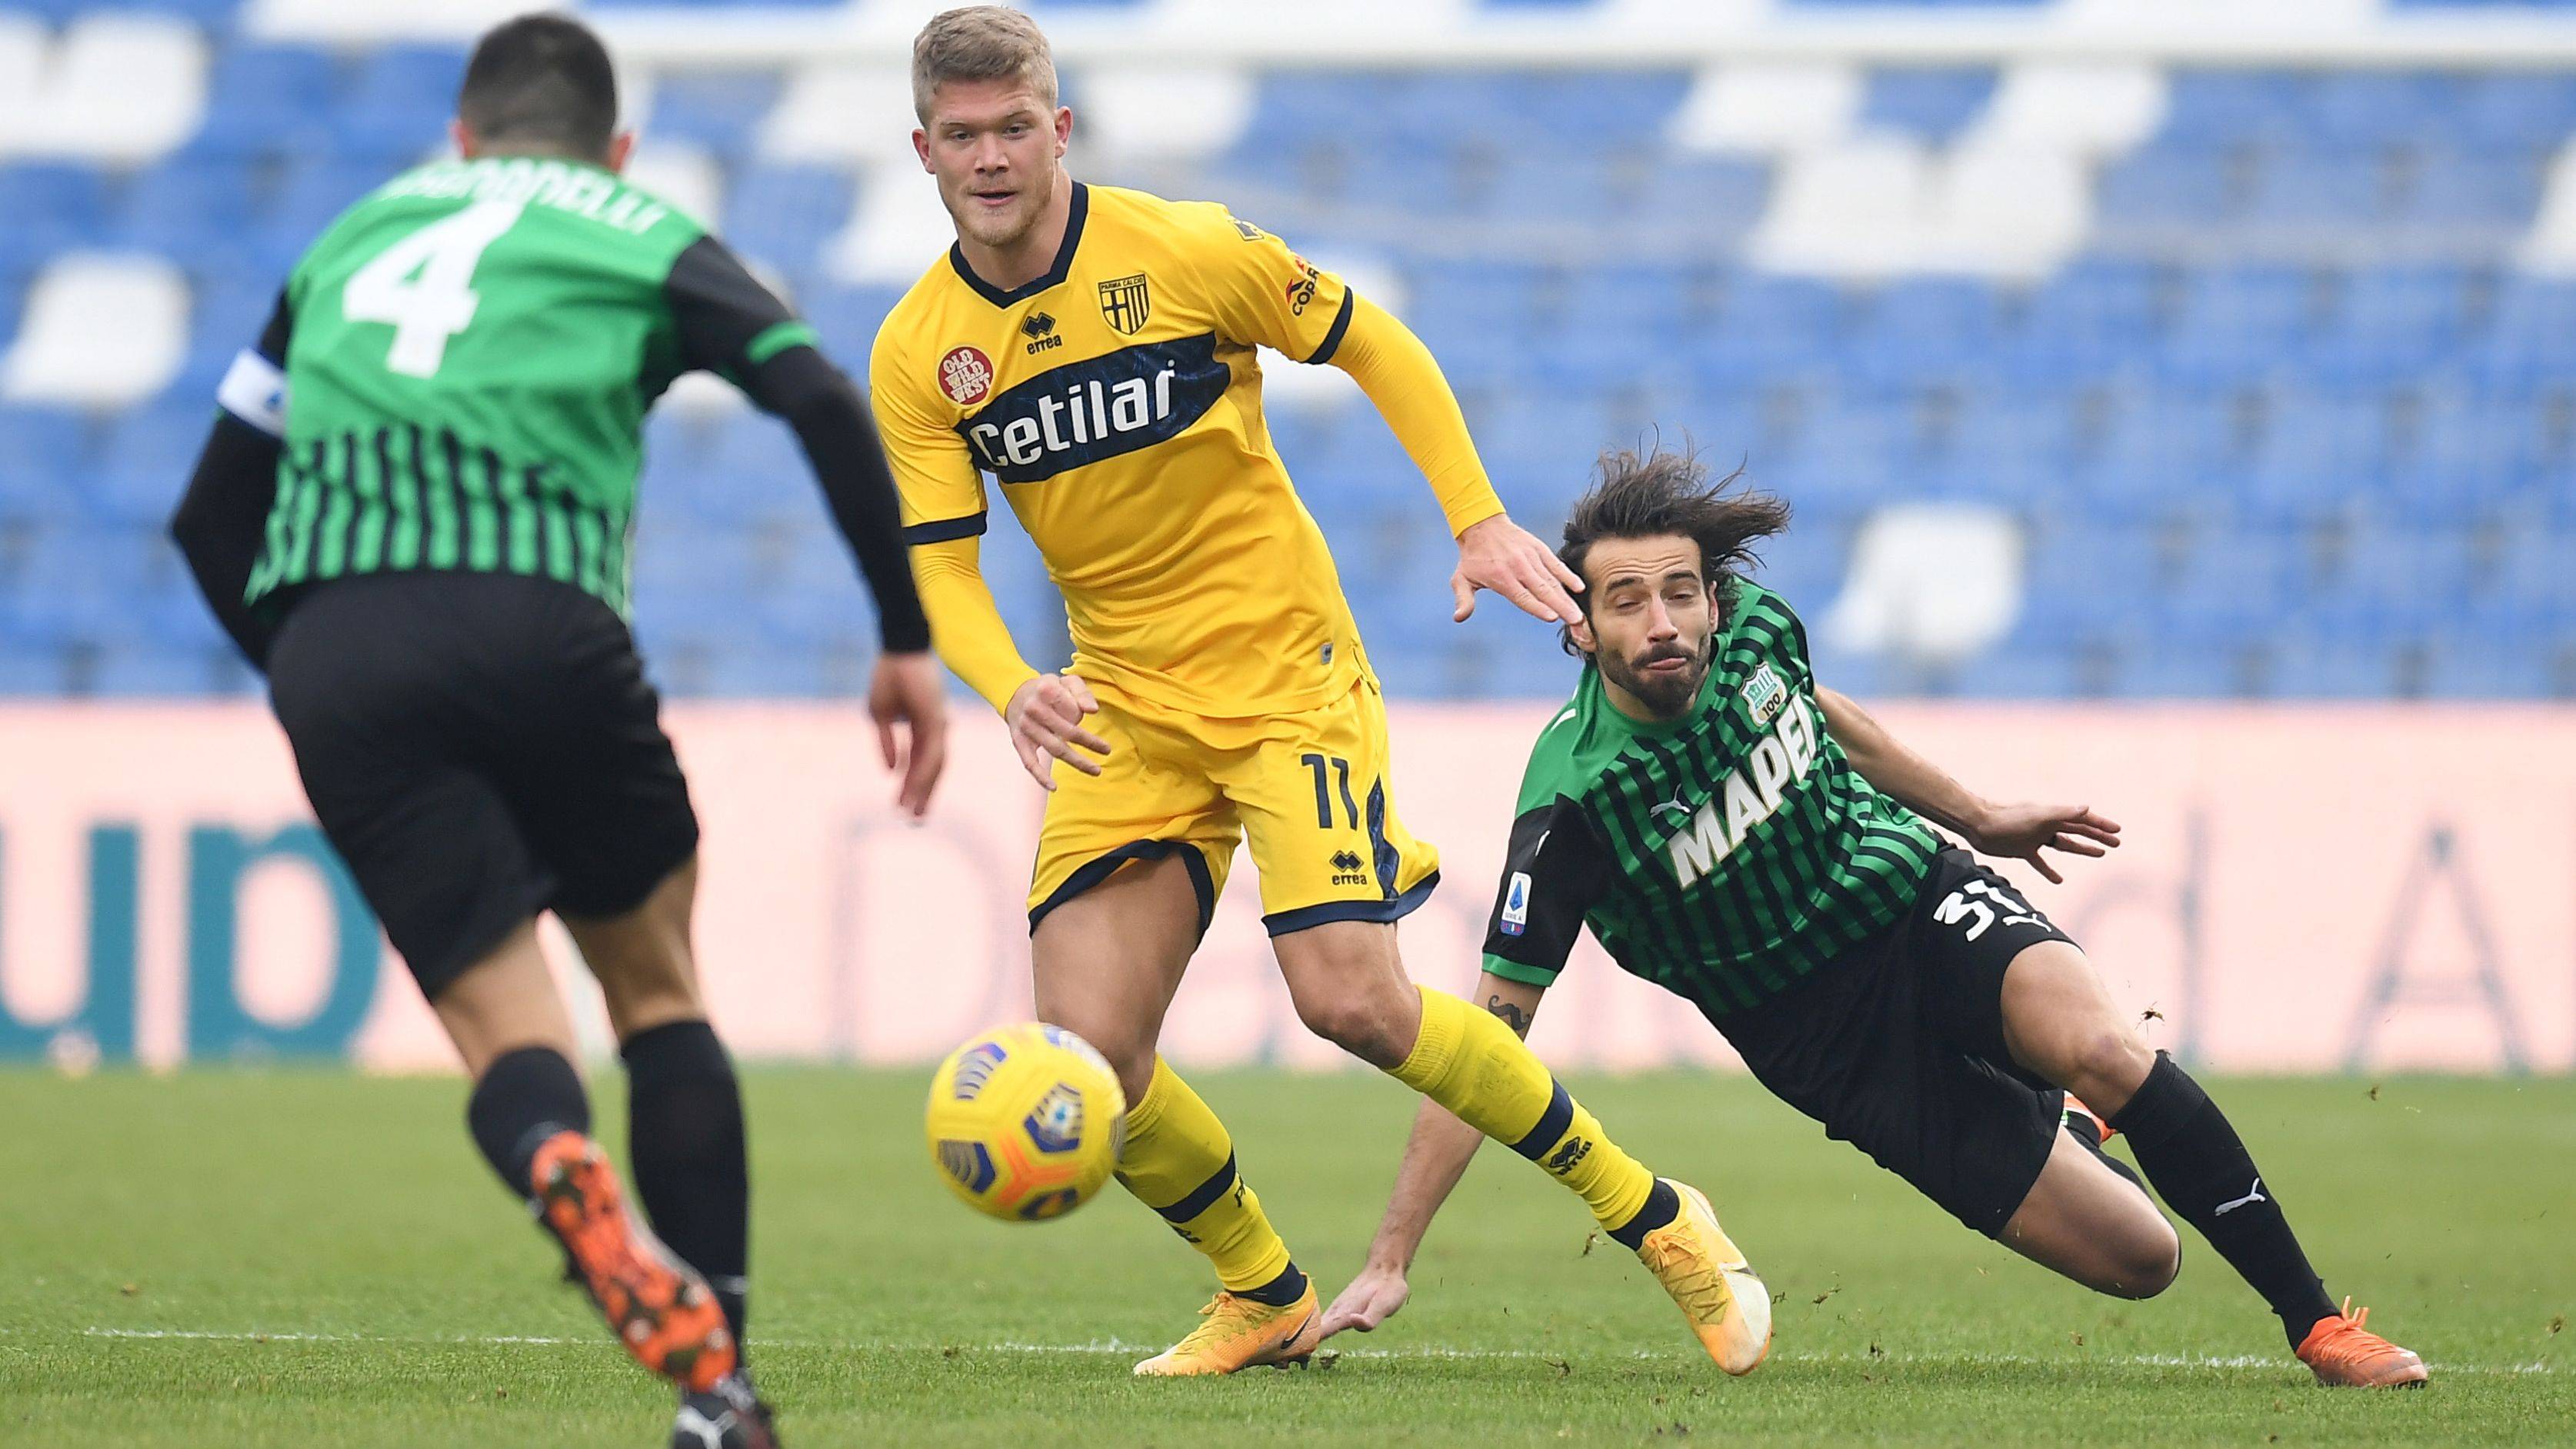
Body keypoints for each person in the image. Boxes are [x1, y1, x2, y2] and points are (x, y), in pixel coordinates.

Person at [869, 6, 1766, 1377]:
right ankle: (1261, 1291)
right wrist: (1006, 685)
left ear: (1060, 130)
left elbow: (1372, 342)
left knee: (1353, 1002)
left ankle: (1655, 1216)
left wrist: (1474, 516)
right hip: (1124, 708)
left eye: (1013, 128)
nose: (989, 158)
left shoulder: (1184, 251)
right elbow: (939, 566)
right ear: (922, 150)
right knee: (1089, 1055)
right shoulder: (919, 352)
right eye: (960, 136)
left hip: (1286, 678)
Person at [168, 14, 948, 1445]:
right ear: (617, 148)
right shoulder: (635, 226)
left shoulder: (349, 238)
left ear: (460, 137)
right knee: (653, 988)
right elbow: (818, 396)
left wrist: (319, 671)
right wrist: (904, 637)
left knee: (503, 1028)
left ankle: (551, 1157)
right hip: (540, 618)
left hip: (342, 646)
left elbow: (209, 514)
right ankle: (717, 1388)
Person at [1318, 447, 2427, 1391]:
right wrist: (1391, 1254)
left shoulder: (1756, 631)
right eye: (1627, 602)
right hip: (1829, 1047)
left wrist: (1977, 817)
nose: (1663, 623)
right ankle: (2065, 1126)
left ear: (1713, 599)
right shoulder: (1575, 806)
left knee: (2099, 1045)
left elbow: (1821, 714)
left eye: (1681, 593)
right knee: (2143, 1260)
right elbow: (1489, 1037)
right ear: (1582, 628)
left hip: (1910, 898)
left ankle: (2319, 1326)